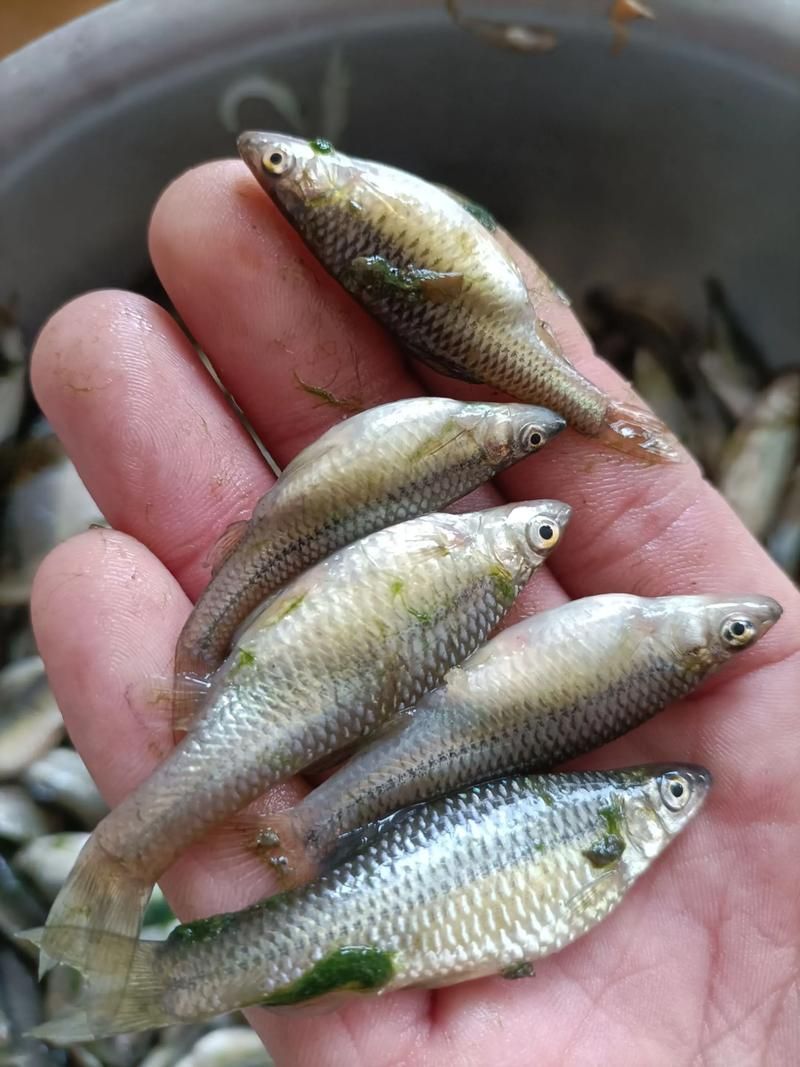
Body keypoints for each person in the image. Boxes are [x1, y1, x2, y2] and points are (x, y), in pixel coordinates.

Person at [29, 158, 799, 1066]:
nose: (546, 524)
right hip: (355, 670)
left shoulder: (488, 556)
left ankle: (118, 913)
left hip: (369, 690)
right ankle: (113, 903)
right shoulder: (482, 553)